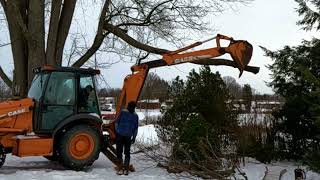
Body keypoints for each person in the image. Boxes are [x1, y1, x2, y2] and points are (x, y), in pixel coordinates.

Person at [115, 101, 139, 175]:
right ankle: (125, 168)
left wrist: (117, 131)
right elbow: (135, 129)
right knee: (127, 152)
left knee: (119, 151)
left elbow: (116, 122)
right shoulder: (135, 116)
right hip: (128, 136)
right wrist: (134, 138)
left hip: (120, 135)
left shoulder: (123, 112)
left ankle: (120, 168)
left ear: (128, 106)